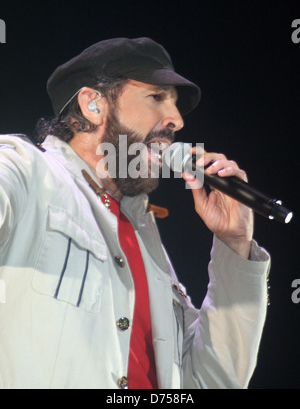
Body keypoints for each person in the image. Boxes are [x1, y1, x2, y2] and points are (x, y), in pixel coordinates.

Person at [0, 37, 270, 389]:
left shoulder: (147, 245)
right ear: (92, 104)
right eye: (157, 97)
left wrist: (234, 245)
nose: (176, 120)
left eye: (174, 104)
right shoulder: (28, 173)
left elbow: (214, 381)